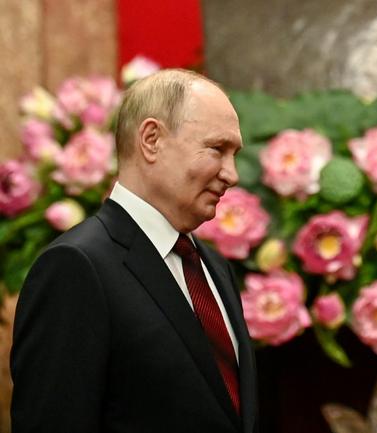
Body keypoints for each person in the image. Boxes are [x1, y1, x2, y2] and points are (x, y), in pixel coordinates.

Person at [11, 69, 258, 433]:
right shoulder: (76, 267)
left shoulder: (214, 266)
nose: (232, 174)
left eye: (234, 154)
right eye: (217, 149)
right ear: (151, 139)